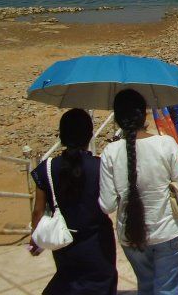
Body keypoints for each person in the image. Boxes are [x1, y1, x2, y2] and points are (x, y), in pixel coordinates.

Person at [99, 89, 178, 295]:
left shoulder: (110, 153)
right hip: (169, 233)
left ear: (117, 118)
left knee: (146, 286)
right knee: (169, 289)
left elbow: (107, 205)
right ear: (144, 114)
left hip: (132, 236)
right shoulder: (165, 144)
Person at [30, 108, 118, 295]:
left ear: (61, 135)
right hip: (97, 242)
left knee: (69, 282)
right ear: (89, 135)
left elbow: (38, 211)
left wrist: (35, 239)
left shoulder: (47, 168)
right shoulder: (99, 166)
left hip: (65, 242)